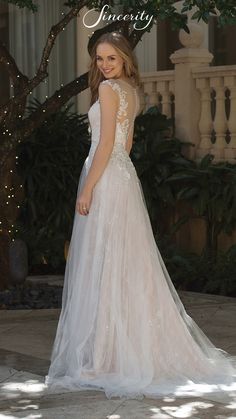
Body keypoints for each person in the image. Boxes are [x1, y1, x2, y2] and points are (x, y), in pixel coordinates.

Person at [45, 31, 236, 402]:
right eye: (99, 59)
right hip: (123, 176)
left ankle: (104, 358)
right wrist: (109, 171)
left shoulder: (107, 90)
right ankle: (117, 352)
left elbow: (103, 144)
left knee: (104, 263)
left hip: (104, 177)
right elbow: (126, 144)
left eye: (111, 59)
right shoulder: (133, 91)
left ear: (124, 59)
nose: (104, 66)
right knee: (125, 262)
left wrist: (87, 188)